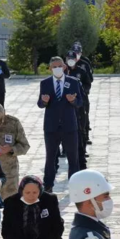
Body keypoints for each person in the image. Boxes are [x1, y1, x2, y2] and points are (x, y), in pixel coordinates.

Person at [38, 57, 83, 193]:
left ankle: (75, 185)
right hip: (51, 127)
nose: (57, 68)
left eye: (59, 66)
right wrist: (44, 101)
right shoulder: (45, 83)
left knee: (73, 158)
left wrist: (73, 100)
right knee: (50, 157)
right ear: (50, 68)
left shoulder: (73, 82)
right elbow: (40, 104)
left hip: (69, 126)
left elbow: (80, 102)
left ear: (64, 67)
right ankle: (48, 185)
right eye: (54, 66)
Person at [0, 103, 29, 199]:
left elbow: (24, 146)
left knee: (11, 204)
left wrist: (11, 149)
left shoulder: (13, 123)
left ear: (4, 113)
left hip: (9, 171)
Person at [65, 51, 91, 168]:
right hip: (66, 106)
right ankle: (64, 149)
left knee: (81, 128)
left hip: (80, 104)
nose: (70, 60)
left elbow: (88, 83)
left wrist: (82, 92)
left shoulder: (81, 71)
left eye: (72, 58)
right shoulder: (63, 73)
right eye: (68, 58)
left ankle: (83, 149)